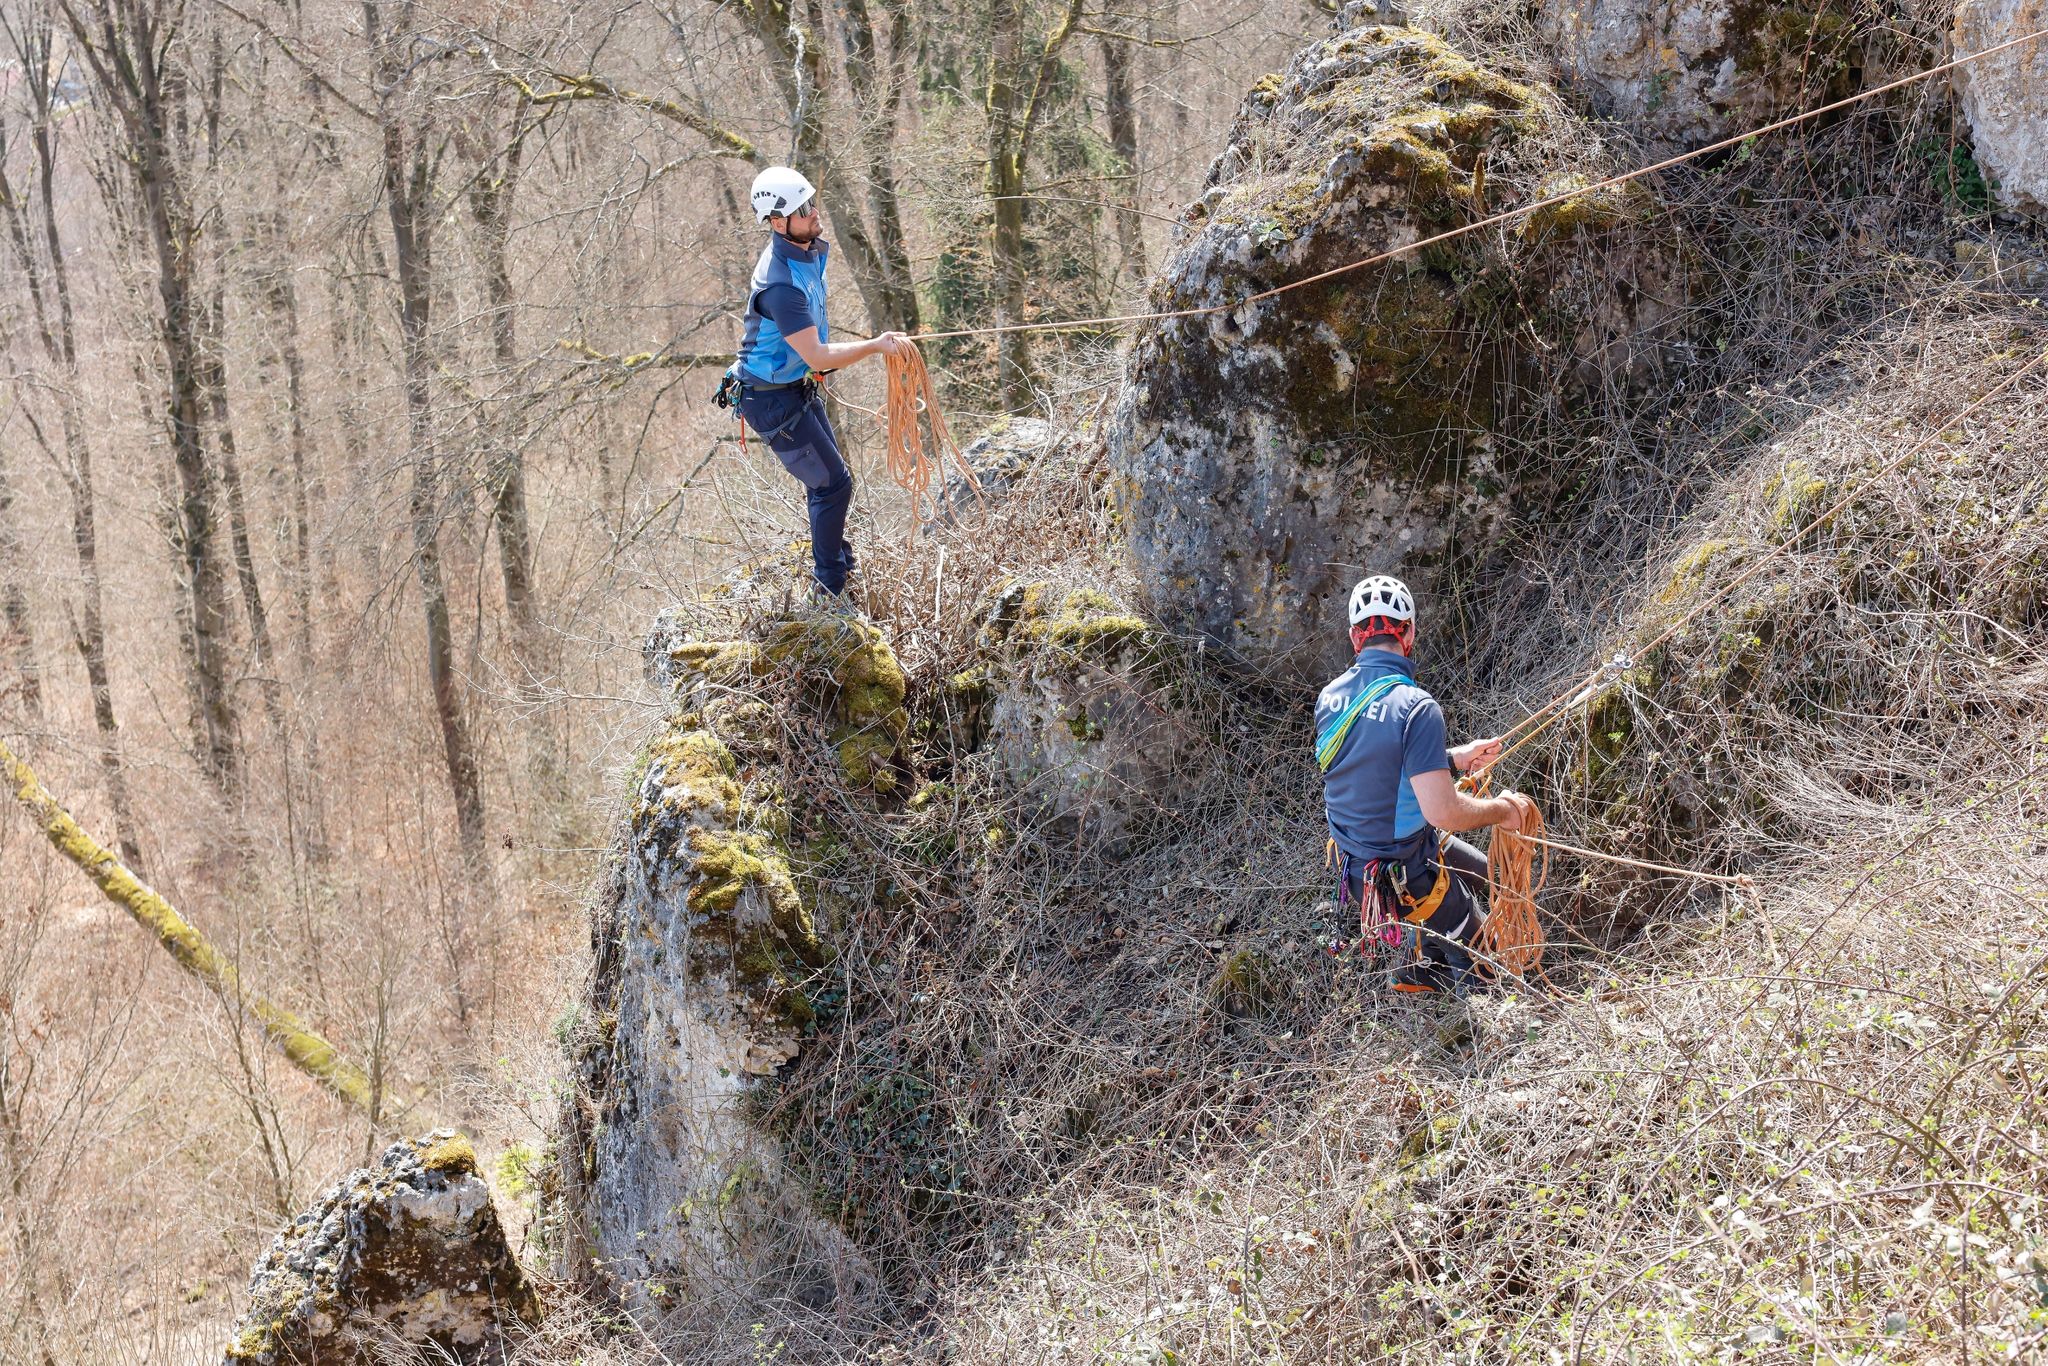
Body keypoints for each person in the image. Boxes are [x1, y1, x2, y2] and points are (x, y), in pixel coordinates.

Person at [1314, 575, 1529, 994]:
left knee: (1485, 872)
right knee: (1482, 954)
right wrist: (1504, 811)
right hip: (1401, 871)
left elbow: (1378, 763)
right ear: (1409, 632)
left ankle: (1428, 962)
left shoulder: (1330, 697)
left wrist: (1453, 759)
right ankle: (1469, 992)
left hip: (1356, 864)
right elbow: (1444, 812)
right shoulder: (1417, 707)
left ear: (1355, 638)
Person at [725, 166, 909, 599]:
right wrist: (876, 346)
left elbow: (810, 348)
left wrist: (812, 364)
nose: (814, 211)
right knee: (832, 484)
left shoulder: (804, 254)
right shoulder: (780, 284)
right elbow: (818, 354)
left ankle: (839, 565)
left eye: (811, 202)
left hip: (791, 387)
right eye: (803, 208)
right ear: (778, 223)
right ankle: (830, 587)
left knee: (830, 480)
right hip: (770, 400)